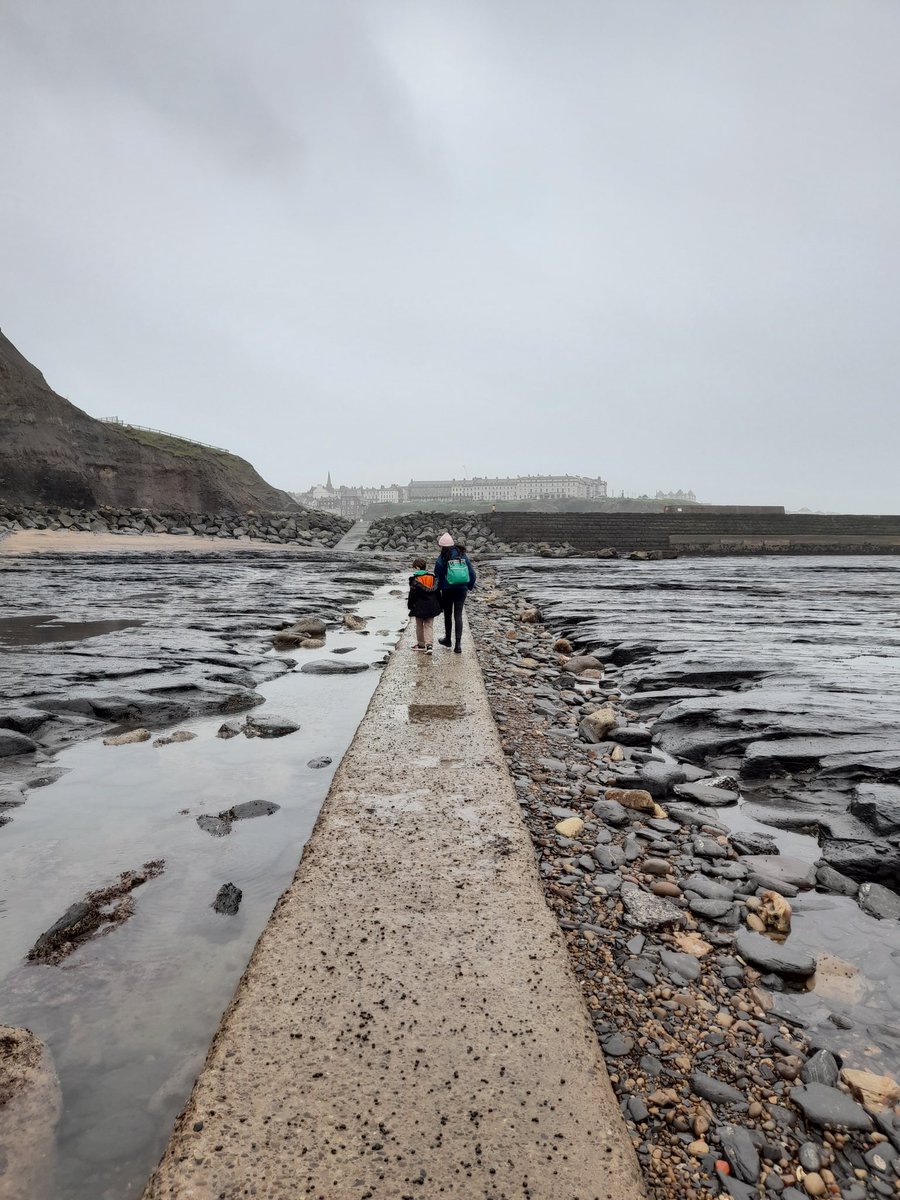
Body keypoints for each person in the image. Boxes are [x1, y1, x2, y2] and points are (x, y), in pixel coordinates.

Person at [434, 532, 476, 653]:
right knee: (458, 615)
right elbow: (472, 574)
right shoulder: (463, 555)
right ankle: (458, 645)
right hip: (461, 590)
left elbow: (437, 577)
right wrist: (468, 586)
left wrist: (437, 592)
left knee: (448, 615)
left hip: (447, 590)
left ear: (442, 546)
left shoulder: (441, 558)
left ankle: (448, 640)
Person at [406, 557, 442, 653]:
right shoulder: (433, 577)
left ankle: (421, 644)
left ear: (417, 567)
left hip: (419, 606)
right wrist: (440, 605)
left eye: (414, 567)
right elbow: (438, 593)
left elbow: (412, 595)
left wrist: (410, 605)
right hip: (431, 606)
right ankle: (429, 646)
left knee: (419, 626)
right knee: (429, 625)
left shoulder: (415, 579)